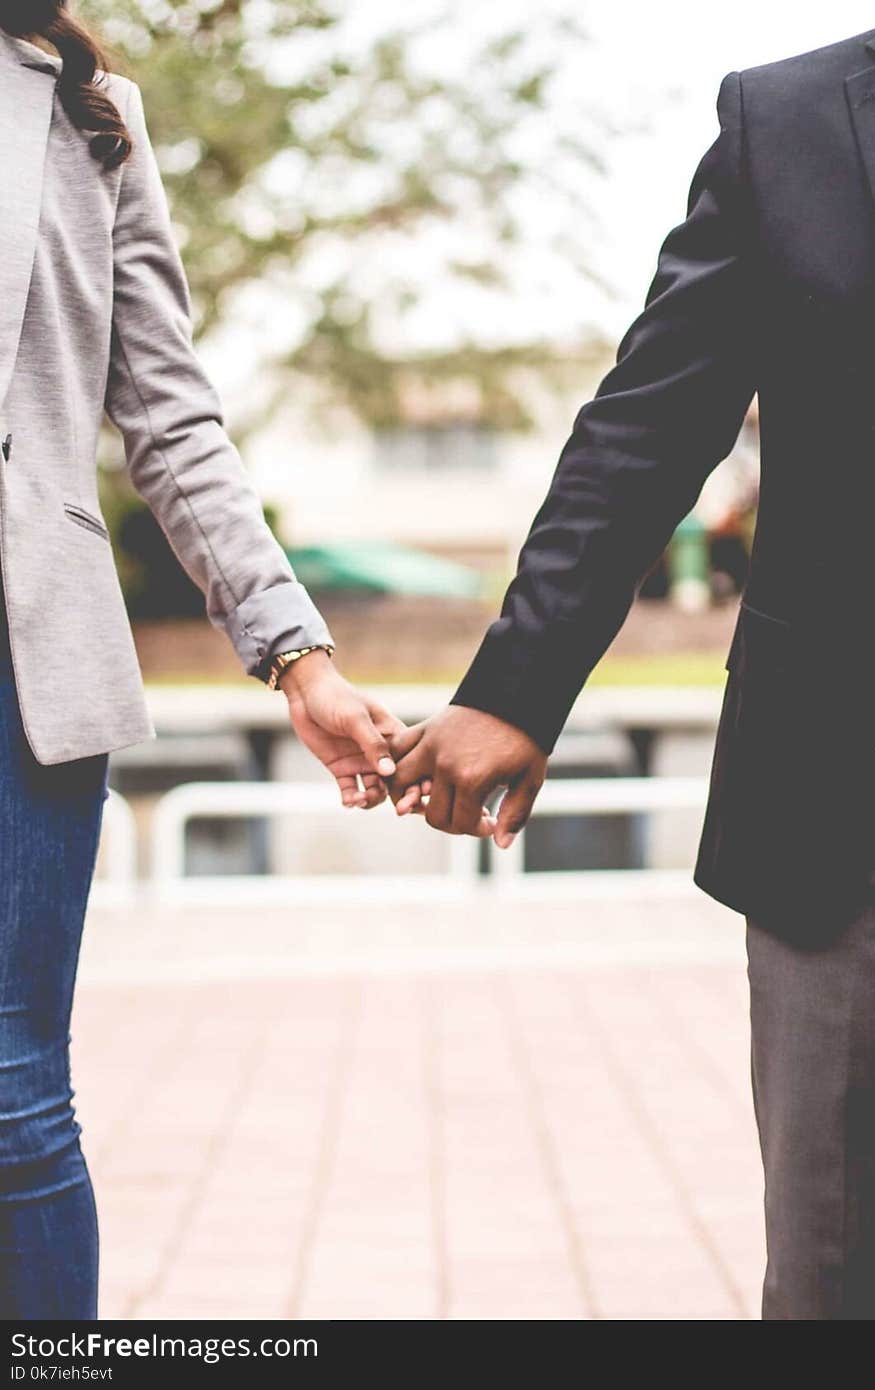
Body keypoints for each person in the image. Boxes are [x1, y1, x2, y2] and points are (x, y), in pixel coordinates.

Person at [391, 25, 875, 1320]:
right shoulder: (791, 123)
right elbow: (650, 420)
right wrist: (515, 684)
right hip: (849, 812)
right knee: (837, 1273)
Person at [0, 1, 404, 1318]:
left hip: (24, 668)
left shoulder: (88, 113)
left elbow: (167, 413)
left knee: (12, 1097)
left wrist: (297, 650)